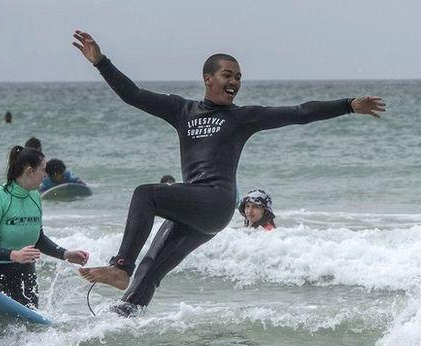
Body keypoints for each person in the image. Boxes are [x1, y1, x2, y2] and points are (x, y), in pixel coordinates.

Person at [71, 29, 386, 315]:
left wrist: (347, 104)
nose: (234, 81)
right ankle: (120, 322)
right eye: (227, 74)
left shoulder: (243, 118)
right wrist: (101, 62)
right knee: (150, 269)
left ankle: (121, 267)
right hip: (195, 210)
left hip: (216, 202)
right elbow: (133, 95)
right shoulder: (181, 110)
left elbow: (299, 113)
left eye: (238, 76)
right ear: (208, 78)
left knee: (145, 194)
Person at [0, 146, 89, 308]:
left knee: (31, 329)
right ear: (30, 171)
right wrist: (14, 255)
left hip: (26, 275)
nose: (45, 175)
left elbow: (39, 239)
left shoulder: (35, 196)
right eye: (43, 170)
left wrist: (65, 254)